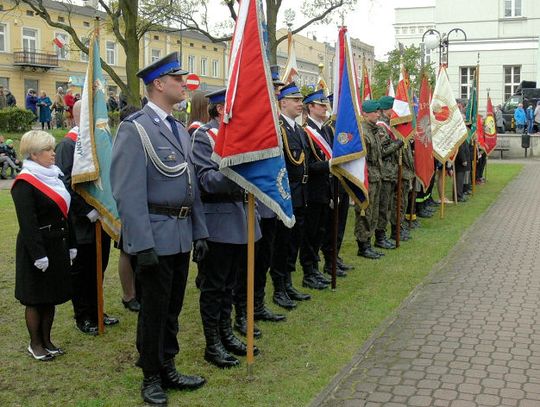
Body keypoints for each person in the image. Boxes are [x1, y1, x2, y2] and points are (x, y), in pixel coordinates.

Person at [111, 52, 208, 405]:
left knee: (172, 307)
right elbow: (127, 191)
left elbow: (190, 184)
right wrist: (140, 244)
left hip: (180, 234)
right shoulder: (135, 128)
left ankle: (168, 364)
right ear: (159, 84)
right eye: (178, 79)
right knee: (153, 309)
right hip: (154, 233)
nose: (185, 84)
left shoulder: (177, 128)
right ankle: (150, 375)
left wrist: (199, 231)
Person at [191, 88, 261, 368]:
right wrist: (238, 170)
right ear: (221, 110)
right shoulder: (203, 137)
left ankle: (226, 333)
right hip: (217, 223)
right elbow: (206, 180)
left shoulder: (240, 138)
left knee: (231, 285)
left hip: (241, 220)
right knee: (214, 287)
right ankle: (213, 344)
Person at [11, 130, 77, 361]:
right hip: (36, 248)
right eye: (48, 150)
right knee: (35, 297)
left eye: (52, 148)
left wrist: (72, 244)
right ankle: (35, 344)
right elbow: (27, 223)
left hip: (58, 244)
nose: (53, 153)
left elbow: (66, 214)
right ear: (34, 154)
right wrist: (38, 254)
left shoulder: (54, 176)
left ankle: (47, 341)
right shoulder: (25, 183)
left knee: (51, 296)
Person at [55, 100, 119, 335]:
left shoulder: (96, 146)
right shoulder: (68, 145)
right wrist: (86, 210)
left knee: (98, 270)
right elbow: (65, 183)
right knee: (82, 272)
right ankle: (83, 315)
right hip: (80, 223)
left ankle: (97, 310)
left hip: (99, 219)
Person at [269, 82, 312, 309]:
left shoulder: (298, 130)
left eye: (300, 100)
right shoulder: (279, 129)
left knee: (294, 242)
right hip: (286, 195)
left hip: (301, 194)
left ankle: (288, 283)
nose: (300, 104)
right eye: (295, 100)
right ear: (282, 102)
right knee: (282, 244)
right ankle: (279, 287)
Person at [299, 89, 333, 288]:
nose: (324, 107)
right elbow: (307, 165)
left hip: (326, 189)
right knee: (310, 233)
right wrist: (328, 165)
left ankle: (315, 268)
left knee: (320, 230)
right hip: (312, 191)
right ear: (310, 107)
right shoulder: (306, 132)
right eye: (320, 105)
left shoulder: (326, 130)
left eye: (324, 104)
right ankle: (308, 271)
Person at [115, 105, 141, 313]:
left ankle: (138, 291)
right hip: (128, 208)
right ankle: (128, 295)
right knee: (127, 252)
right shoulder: (124, 140)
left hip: (143, 207)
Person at [355, 100, 384, 259]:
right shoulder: (363, 132)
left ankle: (369, 241)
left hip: (376, 175)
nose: (378, 114)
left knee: (373, 211)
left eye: (378, 112)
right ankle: (363, 244)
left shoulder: (374, 130)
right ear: (365, 113)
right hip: (366, 176)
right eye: (374, 112)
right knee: (364, 211)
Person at [375, 96, 403, 249]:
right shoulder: (381, 127)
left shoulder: (390, 125)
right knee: (383, 207)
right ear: (387, 109)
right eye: (393, 108)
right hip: (385, 172)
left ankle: (385, 233)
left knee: (389, 205)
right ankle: (380, 237)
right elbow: (383, 151)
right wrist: (397, 144)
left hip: (391, 172)